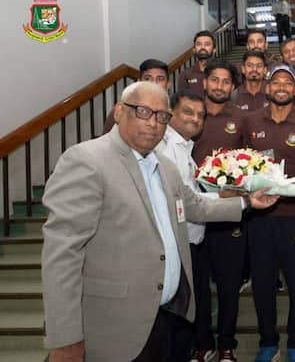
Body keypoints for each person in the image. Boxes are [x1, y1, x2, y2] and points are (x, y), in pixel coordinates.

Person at [41, 81, 277, 362]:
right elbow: (62, 255)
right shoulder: (87, 160)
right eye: (143, 111)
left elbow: (194, 206)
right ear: (119, 112)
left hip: (167, 316)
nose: (153, 123)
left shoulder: (163, 165)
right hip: (115, 328)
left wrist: (247, 202)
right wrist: (66, 338)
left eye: (162, 116)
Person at [242, 64, 295, 362]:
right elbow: (246, 166)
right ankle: (268, 342)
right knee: (262, 283)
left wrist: (284, 189)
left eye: (288, 82)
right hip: (259, 217)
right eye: (276, 81)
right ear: (267, 87)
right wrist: (261, 190)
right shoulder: (250, 122)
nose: (282, 86)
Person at [190, 59, 248, 362]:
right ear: (204, 81)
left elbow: (252, 163)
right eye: (215, 80)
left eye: (226, 82)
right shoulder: (189, 115)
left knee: (228, 284)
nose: (219, 86)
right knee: (198, 285)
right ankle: (202, 343)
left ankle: (226, 344)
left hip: (227, 214)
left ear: (233, 87)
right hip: (192, 214)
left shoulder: (242, 118)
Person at [153, 90, 215, 361]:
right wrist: (231, 198)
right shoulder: (165, 149)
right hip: (176, 246)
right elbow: (184, 201)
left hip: (191, 243)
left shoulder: (184, 148)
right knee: (176, 317)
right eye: (188, 112)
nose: (195, 119)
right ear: (171, 114)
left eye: (200, 115)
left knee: (188, 310)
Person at [102, 58, 170, 134]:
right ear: (139, 83)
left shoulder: (175, 111)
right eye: (147, 78)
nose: (153, 83)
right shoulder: (124, 109)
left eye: (160, 79)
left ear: (168, 85)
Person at [178, 30, 216, 95]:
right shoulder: (185, 74)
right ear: (194, 50)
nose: (203, 47)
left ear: (214, 50)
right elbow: (182, 100)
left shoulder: (223, 72)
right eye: (199, 44)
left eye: (207, 44)